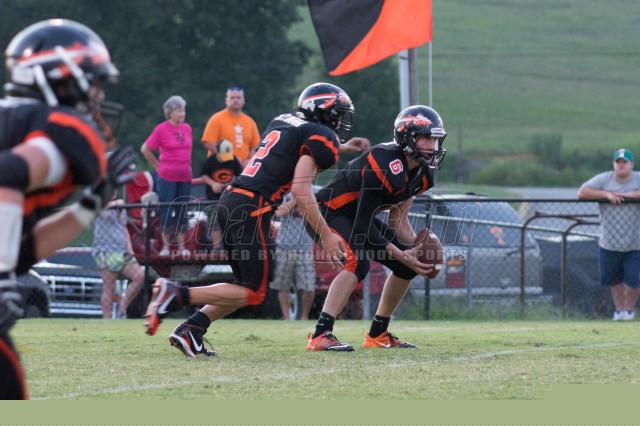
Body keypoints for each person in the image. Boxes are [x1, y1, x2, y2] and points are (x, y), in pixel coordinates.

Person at [144, 82, 370, 357]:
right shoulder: (322, 136)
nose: (341, 121)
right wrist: (326, 235)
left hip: (231, 200)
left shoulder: (283, 121)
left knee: (245, 285)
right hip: (253, 207)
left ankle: (192, 328)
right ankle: (176, 294)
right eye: (338, 114)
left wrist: (341, 147)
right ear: (326, 112)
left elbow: (291, 147)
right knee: (255, 291)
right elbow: (301, 189)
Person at [0, 19, 133, 399]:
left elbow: (22, 252)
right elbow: (8, 173)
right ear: (62, 79)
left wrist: (90, 205)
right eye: (93, 83)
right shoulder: (52, 129)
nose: (97, 96)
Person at [306, 105, 447, 351]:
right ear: (407, 137)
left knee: (405, 267)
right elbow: (362, 225)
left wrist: (415, 249)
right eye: (426, 138)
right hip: (328, 213)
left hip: (357, 217)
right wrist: (401, 252)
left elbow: (398, 219)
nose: (432, 145)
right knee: (357, 263)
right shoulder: (384, 161)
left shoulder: (424, 173)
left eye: (435, 139)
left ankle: (378, 334)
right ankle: (320, 334)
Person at [577, 148, 640, 321]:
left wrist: (626, 196)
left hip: (636, 242)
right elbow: (582, 192)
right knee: (613, 280)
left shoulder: (637, 178)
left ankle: (629, 310)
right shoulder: (605, 179)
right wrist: (606, 194)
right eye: (618, 162)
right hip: (609, 241)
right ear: (614, 164)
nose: (621, 165)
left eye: (625, 162)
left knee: (633, 280)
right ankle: (619, 311)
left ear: (632, 164)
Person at [140, 95, 193, 256]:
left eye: (183, 110)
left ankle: (182, 247)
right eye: (179, 111)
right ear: (170, 113)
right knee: (167, 208)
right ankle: (165, 247)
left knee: (183, 209)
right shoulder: (161, 129)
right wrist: (158, 166)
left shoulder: (187, 128)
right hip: (167, 176)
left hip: (185, 175)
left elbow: (188, 148)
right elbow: (145, 149)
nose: (182, 113)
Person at [92, 191, 145, 319]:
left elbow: (123, 228)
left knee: (140, 277)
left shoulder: (120, 207)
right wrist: (116, 203)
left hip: (122, 251)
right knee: (109, 288)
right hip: (106, 251)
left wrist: (129, 249)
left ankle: (121, 308)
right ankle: (107, 320)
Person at [270, 195, 316, 320]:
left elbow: (317, 214)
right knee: (282, 286)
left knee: (309, 287)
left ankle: (304, 317)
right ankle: (287, 318)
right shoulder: (285, 195)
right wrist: (296, 198)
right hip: (284, 248)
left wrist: (306, 200)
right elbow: (278, 213)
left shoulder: (313, 194)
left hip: (305, 249)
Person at [201, 86, 261, 167]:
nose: (235, 100)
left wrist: (250, 160)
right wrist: (230, 158)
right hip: (220, 167)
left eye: (238, 98)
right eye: (232, 98)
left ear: (243, 101)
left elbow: (256, 146)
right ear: (226, 101)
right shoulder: (216, 119)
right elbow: (209, 143)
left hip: (243, 169)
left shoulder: (250, 122)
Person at [199, 139, 242, 247]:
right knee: (214, 220)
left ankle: (233, 246)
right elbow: (203, 175)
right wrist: (213, 184)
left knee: (232, 220)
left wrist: (232, 186)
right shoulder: (211, 160)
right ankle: (216, 247)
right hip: (214, 198)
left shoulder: (233, 160)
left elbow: (239, 176)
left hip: (229, 197)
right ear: (217, 152)